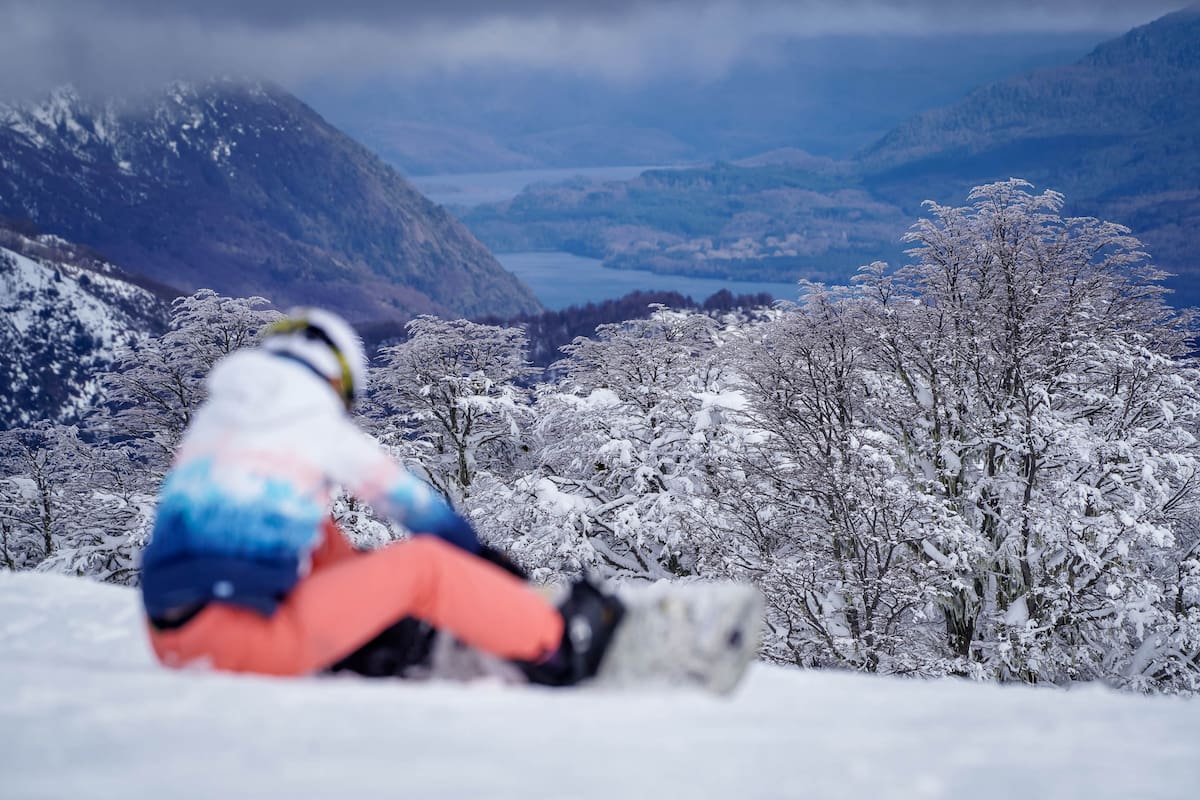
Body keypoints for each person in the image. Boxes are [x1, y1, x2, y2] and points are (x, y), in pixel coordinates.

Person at [140, 307, 623, 686]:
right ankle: (559, 645)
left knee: (317, 524)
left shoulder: (212, 424)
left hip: (171, 641)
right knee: (428, 566)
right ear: (336, 379)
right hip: (249, 645)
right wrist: (483, 559)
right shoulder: (311, 417)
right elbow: (417, 512)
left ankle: (368, 636)